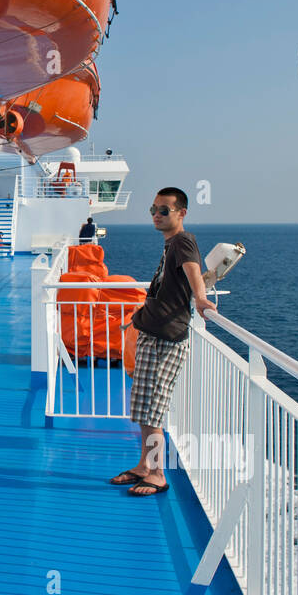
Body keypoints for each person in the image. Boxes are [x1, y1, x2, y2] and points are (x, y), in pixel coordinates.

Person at [109, 187, 215, 496]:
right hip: (151, 336)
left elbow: (193, 269)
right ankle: (144, 465)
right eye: (153, 209)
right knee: (143, 409)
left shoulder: (183, 241)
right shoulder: (170, 244)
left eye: (164, 210)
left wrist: (200, 298)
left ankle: (156, 474)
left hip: (166, 340)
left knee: (153, 410)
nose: (157, 214)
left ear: (181, 213)